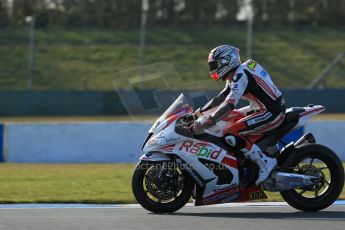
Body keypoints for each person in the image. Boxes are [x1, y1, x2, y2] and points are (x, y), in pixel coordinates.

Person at [190, 45, 286, 185]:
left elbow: (229, 103)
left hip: (272, 112)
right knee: (229, 119)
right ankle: (242, 160)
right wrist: (197, 113)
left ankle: (265, 163)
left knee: (230, 132)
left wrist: (211, 119)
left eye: (215, 64)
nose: (213, 68)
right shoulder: (237, 72)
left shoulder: (241, 75)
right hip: (260, 107)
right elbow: (221, 98)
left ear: (227, 60)